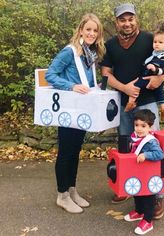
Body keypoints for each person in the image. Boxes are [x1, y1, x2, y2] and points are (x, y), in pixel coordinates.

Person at [101, 3, 164, 219]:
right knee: (127, 147)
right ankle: (127, 186)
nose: (127, 23)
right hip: (123, 105)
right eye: (122, 19)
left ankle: (157, 196)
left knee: (151, 147)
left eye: (130, 19)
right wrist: (125, 88)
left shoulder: (149, 39)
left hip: (146, 105)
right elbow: (106, 73)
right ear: (116, 22)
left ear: (136, 19)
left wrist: (159, 78)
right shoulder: (110, 45)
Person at [45, 13, 105, 213]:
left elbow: (87, 83)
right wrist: (71, 86)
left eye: (95, 30)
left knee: (75, 152)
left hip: (82, 111)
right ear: (80, 30)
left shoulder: (89, 54)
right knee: (66, 153)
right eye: (88, 29)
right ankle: (62, 195)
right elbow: (50, 75)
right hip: (69, 110)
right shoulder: (69, 52)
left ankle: (71, 190)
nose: (91, 33)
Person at [124, 109, 164, 235]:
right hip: (138, 173)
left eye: (143, 126)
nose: (139, 129)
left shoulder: (150, 140)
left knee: (148, 197)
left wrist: (146, 155)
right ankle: (139, 211)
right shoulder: (134, 137)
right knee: (137, 193)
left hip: (148, 175)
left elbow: (159, 154)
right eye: (136, 125)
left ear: (150, 126)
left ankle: (148, 220)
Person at [124, 22, 164, 122]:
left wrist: (155, 70)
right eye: (155, 42)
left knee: (137, 84)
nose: (156, 44)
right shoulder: (156, 53)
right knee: (159, 92)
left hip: (150, 77)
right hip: (152, 79)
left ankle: (131, 102)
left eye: (160, 42)